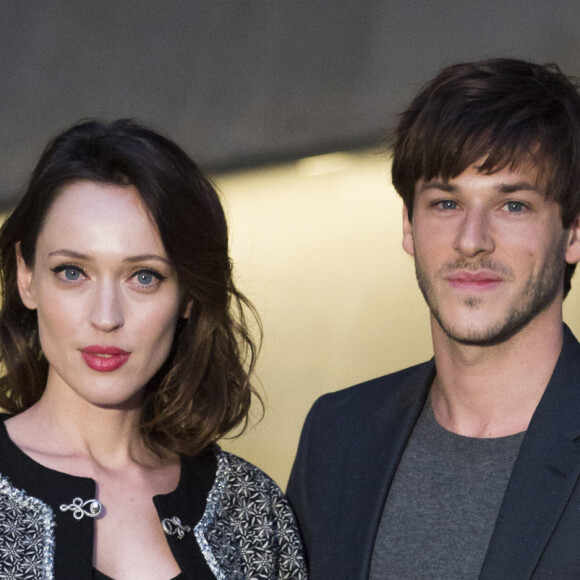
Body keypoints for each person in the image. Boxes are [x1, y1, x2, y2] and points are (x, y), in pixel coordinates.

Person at [287, 58, 580, 579]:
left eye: (512, 206)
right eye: (446, 203)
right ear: (408, 225)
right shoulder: (338, 435)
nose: (472, 240)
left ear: (573, 233)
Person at [0, 119, 307, 579]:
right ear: (27, 278)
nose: (106, 317)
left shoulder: (250, 508)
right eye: (72, 272)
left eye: (144, 276)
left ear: (186, 296)